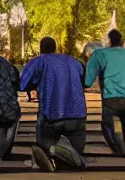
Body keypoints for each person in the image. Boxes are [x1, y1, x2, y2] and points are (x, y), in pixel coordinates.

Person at [21, 37, 86, 171]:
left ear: (41, 48)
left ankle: (47, 151)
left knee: (44, 135)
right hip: (78, 115)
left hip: (52, 115)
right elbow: (84, 79)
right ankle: (72, 157)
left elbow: (23, 83)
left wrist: (35, 85)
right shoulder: (74, 61)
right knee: (76, 148)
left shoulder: (39, 61)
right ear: (55, 48)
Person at [85, 29, 125, 157]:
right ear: (121, 41)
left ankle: (118, 148)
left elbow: (88, 80)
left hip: (112, 99)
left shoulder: (100, 54)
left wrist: (85, 84)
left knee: (107, 123)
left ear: (109, 40)